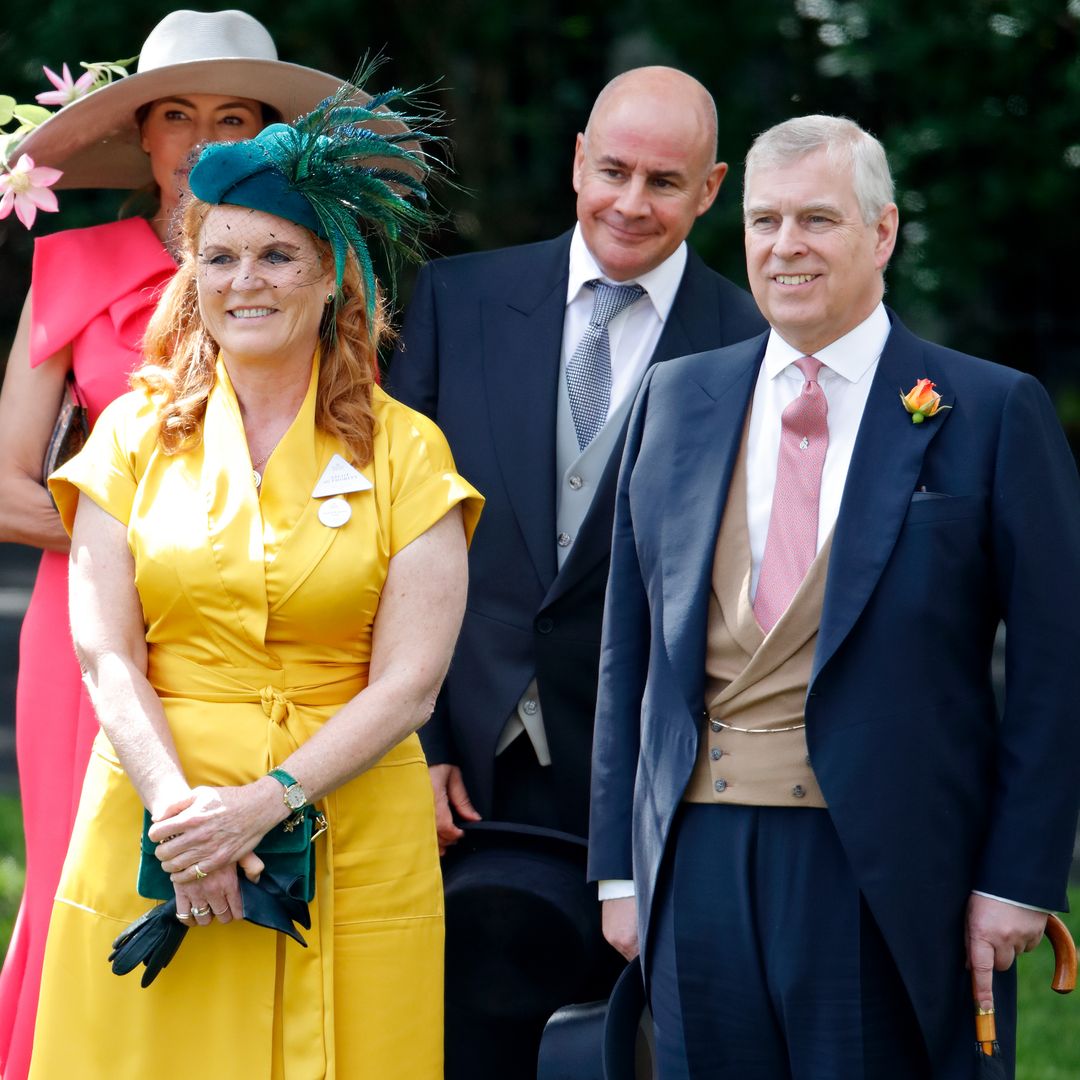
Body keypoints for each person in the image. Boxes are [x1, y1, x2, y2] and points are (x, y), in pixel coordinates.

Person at [588, 113, 1080, 1079]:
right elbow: (628, 650)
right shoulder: (679, 397)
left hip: (892, 866)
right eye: (765, 222)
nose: (786, 248)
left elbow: (1056, 667)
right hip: (694, 858)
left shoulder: (986, 409)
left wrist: (1018, 879)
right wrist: (617, 867)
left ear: (883, 233)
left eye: (817, 220)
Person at [27, 79, 482, 1078]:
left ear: (332, 280)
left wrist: (267, 803)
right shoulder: (133, 438)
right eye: (220, 257)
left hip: (347, 820)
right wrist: (184, 816)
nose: (248, 281)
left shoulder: (408, 453)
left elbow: (410, 683)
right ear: (193, 275)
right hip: (162, 818)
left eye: (278, 254)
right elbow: (105, 651)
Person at [388, 67, 763, 1075]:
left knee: (607, 1052)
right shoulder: (453, 302)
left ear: (713, 189)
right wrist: (411, 744)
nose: (632, 205)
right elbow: (385, 539)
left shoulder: (753, 344)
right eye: (614, 172)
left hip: (641, 781)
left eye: (667, 182)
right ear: (575, 163)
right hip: (451, 761)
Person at [0, 12, 343, 1077]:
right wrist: (146, 555)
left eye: (230, 116)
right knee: (82, 869)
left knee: (251, 876)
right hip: (91, 637)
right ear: (142, 136)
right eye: (177, 117)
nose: (200, 140)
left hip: (275, 634)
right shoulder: (72, 266)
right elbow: (6, 483)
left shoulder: (316, 271)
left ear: (267, 137)